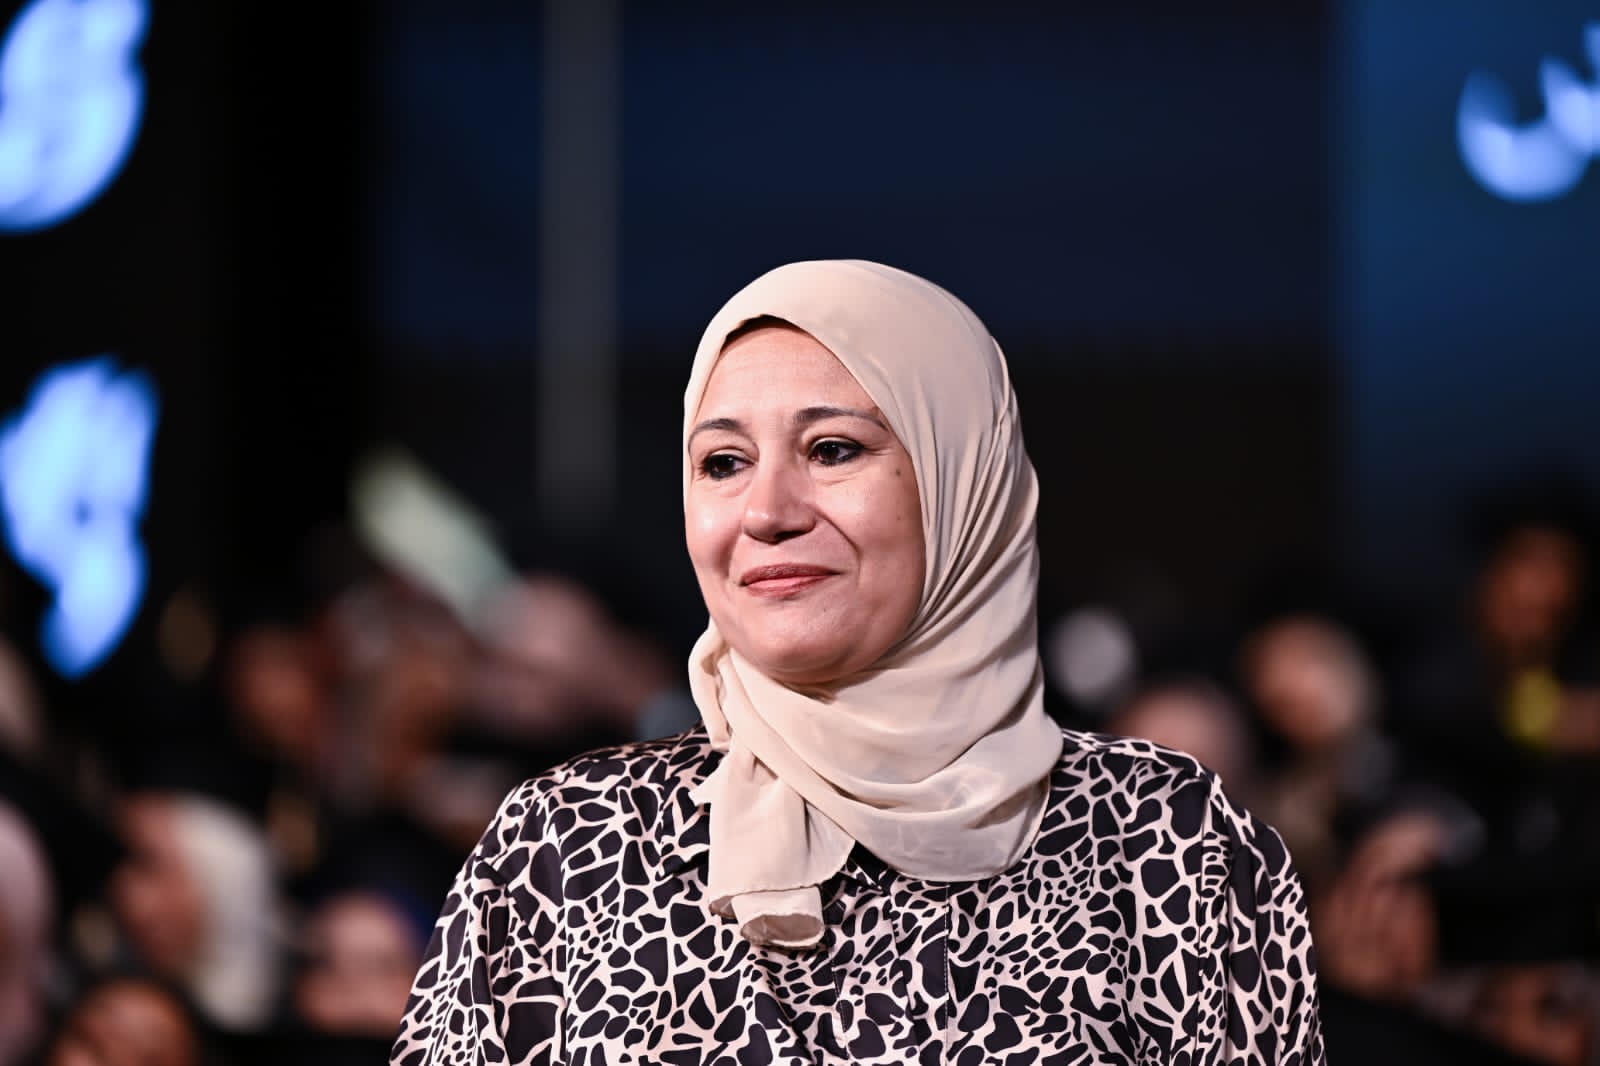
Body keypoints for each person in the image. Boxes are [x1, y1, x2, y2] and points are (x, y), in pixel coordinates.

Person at [390, 260, 1325, 1064]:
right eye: (722, 463)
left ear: (964, 482)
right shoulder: (566, 847)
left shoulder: (1171, 846)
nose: (767, 512)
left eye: (832, 449)